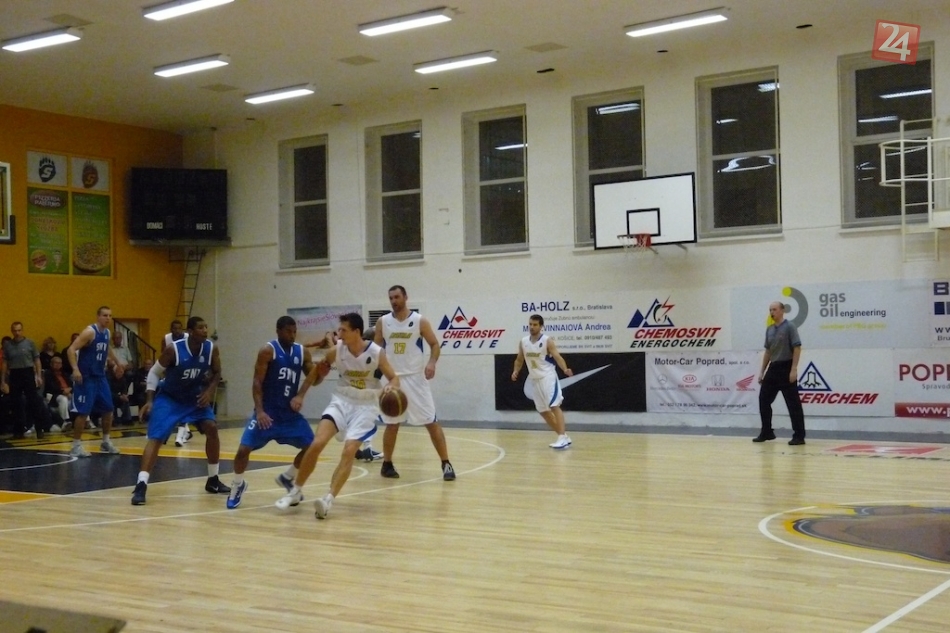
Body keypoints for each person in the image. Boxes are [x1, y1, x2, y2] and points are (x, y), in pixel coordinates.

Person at [275, 312, 399, 520]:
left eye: (343, 330)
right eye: (339, 329)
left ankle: (328, 500)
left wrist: (390, 388)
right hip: (342, 399)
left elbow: (394, 378)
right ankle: (295, 490)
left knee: (349, 451)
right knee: (316, 443)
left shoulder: (377, 352)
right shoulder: (336, 351)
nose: (339, 333)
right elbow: (316, 373)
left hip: (366, 404)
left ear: (356, 332)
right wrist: (302, 394)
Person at [226, 316, 326, 509]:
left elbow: (314, 380)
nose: (292, 335)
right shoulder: (267, 351)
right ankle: (237, 485)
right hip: (267, 414)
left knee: (312, 447)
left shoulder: (302, 352)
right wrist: (260, 411)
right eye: (288, 331)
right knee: (242, 450)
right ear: (278, 331)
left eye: (294, 331)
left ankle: (288, 477)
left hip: (289, 415)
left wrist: (320, 374)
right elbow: (257, 383)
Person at [131, 316, 230, 505]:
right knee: (156, 437)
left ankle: (213, 479)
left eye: (206, 327)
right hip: (170, 398)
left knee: (211, 428)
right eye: (200, 328)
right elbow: (154, 372)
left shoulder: (211, 348)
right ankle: (141, 485)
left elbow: (217, 372)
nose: (205, 330)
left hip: (193, 397)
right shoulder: (173, 349)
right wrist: (150, 400)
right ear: (190, 332)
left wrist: (209, 391)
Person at [374, 285, 455, 481]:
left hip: (415, 378)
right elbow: (375, 350)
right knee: (392, 424)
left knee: (431, 422)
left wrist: (432, 363)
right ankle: (387, 464)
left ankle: (446, 463)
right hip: (392, 379)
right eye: (391, 298)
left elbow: (434, 344)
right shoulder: (383, 322)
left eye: (397, 297)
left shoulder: (419, 321)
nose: (394, 301)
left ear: (405, 297)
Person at [67, 307, 125, 456]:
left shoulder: (107, 333)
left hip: (100, 376)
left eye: (110, 316)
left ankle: (105, 442)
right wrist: (75, 369)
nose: (108, 318)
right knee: (83, 412)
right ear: (98, 316)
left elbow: (106, 349)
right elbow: (71, 350)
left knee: (108, 409)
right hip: (86, 377)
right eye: (105, 315)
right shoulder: (89, 332)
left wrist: (118, 363)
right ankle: (76, 446)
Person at [511, 314, 574, 450]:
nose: (532, 327)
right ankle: (563, 436)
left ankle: (562, 438)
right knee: (543, 411)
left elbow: (557, 357)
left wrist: (565, 369)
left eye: (535, 325)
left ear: (541, 327)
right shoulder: (523, 342)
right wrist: (516, 371)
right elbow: (519, 359)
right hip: (535, 379)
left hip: (548, 377)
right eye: (530, 324)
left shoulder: (547, 341)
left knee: (554, 406)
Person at [755, 301, 806, 445]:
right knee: (763, 399)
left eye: (775, 309)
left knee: (793, 403)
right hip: (773, 368)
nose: (772, 312)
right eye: (770, 310)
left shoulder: (790, 327)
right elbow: (768, 351)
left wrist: (794, 369)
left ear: (782, 310)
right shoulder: (769, 329)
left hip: (786, 366)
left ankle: (799, 435)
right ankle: (767, 432)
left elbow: (797, 348)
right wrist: (762, 371)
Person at [1, 322, 50, 439]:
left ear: (22, 330)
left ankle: (39, 428)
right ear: (12, 331)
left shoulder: (30, 343)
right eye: (15, 331)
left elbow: (37, 360)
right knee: (16, 403)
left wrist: (38, 376)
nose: (17, 333)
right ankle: (18, 430)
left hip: (27, 372)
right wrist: (3, 380)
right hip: (14, 373)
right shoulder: (8, 345)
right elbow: (5, 363)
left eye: (19, 330)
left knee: (34, 401)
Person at [163, 320, 193, 447]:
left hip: (186, 375)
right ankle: (184, 432)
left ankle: (180, 436)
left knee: (183, 405)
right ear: (171, 329)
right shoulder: (166, 339)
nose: (177, 331)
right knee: (171, 406)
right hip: (172, 375)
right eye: (174, 328)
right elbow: (163, 357)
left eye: (179, 328)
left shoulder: (187, 338)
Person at [44, 354, 72, 431]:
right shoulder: (47, 373)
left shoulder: (64, 374)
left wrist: (69, 390)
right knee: (63, 399)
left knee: (80, 399)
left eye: (59, 363)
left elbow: (71, 384)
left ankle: (87, 421)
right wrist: (63, 391)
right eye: (56, 363)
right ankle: (64, 422)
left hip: (68, 394)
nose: (58, 364)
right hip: (55, 395)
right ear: (51, 364)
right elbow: (50, 387)